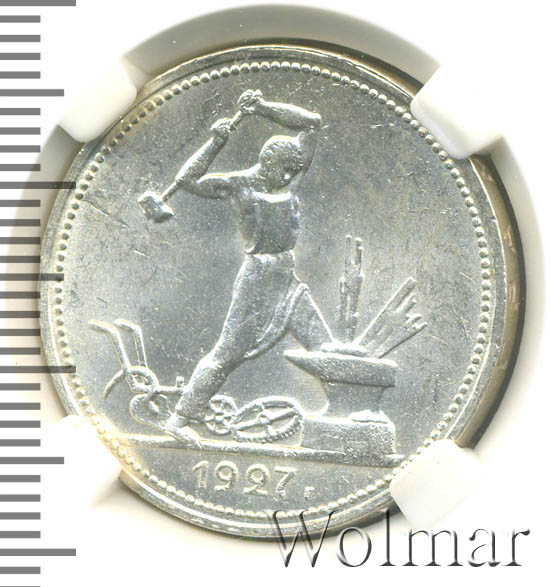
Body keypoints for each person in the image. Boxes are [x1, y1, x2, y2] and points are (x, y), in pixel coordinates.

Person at [165, 89, 333, 441]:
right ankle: (179, 419)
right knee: (227, 353)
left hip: (286, 277)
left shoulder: (291, 177)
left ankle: (338, 417)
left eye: (293, 172)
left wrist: (262, 108)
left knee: (324, 346)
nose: (290, 179)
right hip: (257, 281)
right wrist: (215, 142)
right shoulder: (237, 185)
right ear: (269, 165)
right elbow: (188, 181)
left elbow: (312, 123)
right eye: (284, 172)